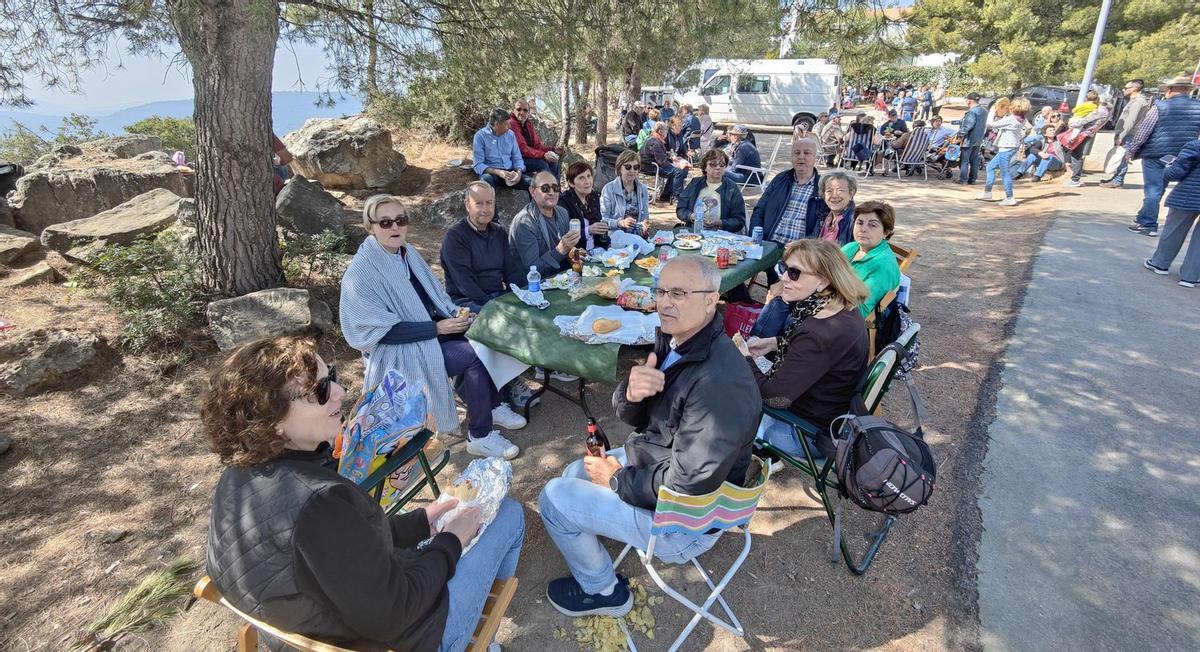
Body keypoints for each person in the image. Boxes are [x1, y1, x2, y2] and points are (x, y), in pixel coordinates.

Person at [201, 336, 524, 652]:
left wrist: (422, 522)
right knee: (509, 514)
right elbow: (392, 615)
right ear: (271, 421)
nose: (340, 393)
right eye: (320, 391)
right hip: (398, 636)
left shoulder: (239, 473)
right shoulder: (318, 499)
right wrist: (451, 540)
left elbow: (343, 543)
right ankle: (481, 637)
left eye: (333, 378)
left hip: (301, 624)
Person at [538, 256, 761, 617]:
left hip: (682, 524)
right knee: (572, 476)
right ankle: (598, 543)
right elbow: (640, 422)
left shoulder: (720, 384)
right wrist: (631, 392)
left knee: (553, 499)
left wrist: (615, 480)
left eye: (679, 292)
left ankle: (603, 592)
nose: (664, 302)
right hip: (657, 464)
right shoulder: (677, 341)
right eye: (660, 291)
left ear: (711, 299)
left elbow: (686, 485)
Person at [341, 195, 526, 460]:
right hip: (399, 351)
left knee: (485, 335)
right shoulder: (362, 272)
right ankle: (480, 435)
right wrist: (437, 329)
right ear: (370, 226)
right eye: (385, 222)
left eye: (400, 220)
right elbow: (372, 334)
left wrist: (455, 316)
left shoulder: (406, 253)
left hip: (430, 331)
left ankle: (493, 405)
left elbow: (432, 297)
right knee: (473, 357)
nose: (395, 227)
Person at [738, 239, 869, 459]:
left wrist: (744, 359)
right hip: (829, 413)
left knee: (726, 398)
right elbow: (821, 357)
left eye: (795, 273)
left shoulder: (820, 331)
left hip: (806, 433)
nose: (784, 278)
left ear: (824, 280)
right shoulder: (840, 307)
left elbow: (775, 398)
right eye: (784, 268)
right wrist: (774, 343)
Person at [439, 182, 538, 410]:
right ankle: (510, 383)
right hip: (464, 301)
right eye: (479, 203)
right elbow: (464, 284)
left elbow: (511, 270)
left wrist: (526, 294)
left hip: (496, 296)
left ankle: (520, 373)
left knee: (530, 313)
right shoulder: (455, 237)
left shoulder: (498, 232)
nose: (485, 209)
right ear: (467, 205)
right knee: (500, 322)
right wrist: (496, 307)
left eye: (489, 203)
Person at [1125, 76, 1200, 237]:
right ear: (1188, 90)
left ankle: (1148, 224)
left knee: (1153, 189)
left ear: (1171, 90)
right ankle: (1142, 217)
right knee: (1160, 187)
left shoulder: (1160, 106)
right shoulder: (1198, 108)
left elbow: (1143, 132)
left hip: (1156, 153)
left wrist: (1132, 150)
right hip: (1181, 155)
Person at [750, 137, 826, 262]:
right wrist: (755, 238)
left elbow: (822, 225)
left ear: (815, 157)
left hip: (800, 250)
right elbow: (760, 209)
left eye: (806, 153)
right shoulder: (781, 179)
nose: (801, 157)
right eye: (797, 153)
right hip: (770, 244)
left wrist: (806, 247)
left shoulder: (822, 186)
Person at [1144, 136, 1200, 287]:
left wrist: (1169, 167)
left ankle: (1160, 263)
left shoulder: (1195, 146)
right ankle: (1191, 276)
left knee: (1174, 231)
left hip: (1188, 196)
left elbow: (1175, 173)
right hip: (1189, 196)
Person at [508, 170, 578, 281]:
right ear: (532, 192)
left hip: (560, 278)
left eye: (555, 188)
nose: (551, 192)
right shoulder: (524, 223)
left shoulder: (562, 213)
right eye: (545, 188)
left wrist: (573, 253)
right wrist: (560, 250)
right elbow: (533, 268)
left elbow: (565, 249)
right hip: (531, 286)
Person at [841, 200, 901, 317]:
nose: (863, 229)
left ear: (886, 232)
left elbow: (860, 310)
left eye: (872, 225)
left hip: (848, 320)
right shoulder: (851, 247)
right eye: (860, 223)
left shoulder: (884, 264)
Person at [676, 148, 747, 233]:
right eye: (713, 164)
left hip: (721, 235)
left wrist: (720, 223)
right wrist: (692, 216)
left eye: (722, 164)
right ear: (705, 167)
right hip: (694, 232)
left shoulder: (732, 188)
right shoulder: (695, 183)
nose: (718, 167)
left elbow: (739, 220)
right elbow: (681, 209)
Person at [979, 97, 1030, 206]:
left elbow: (990, 124)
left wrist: (993, 111)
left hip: (1006, 148)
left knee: (1005, 173)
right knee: (990, 167)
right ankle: (987, 192)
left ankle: (1009, 197)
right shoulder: (1022, 118)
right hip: (1011, 147)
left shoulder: (1011, 119)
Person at [1101, 80, 1152, 188]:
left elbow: (1130, 121)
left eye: (1126, 88)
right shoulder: (1134, 101)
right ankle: (1116, 178)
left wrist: (1121, 136)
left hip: (1129, 134)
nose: (1123, 90)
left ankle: (1118, 181)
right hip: (1127, 133)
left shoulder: (1138, 102)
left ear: (1134, 89)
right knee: (1119, 156)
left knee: (1122, 157)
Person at [472, 108, 528, 190]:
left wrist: (518, 174)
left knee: (532, 184)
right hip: (491, 173)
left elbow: (517, 157)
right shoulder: (480, 136)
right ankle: (491, 202)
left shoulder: (510, 134)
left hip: (509, 172)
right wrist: (499, 172)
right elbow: (478, 164)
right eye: (506, 124)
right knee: (486, 180)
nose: (509, 127)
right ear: (496, 124)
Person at [558, 161, 610, 251]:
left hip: (597, 250)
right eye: (581, 178)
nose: (587, 182)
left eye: (589, 176)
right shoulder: (564, 202)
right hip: (577, 255)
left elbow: (599, 226)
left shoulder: (593, 197)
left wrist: (607, 245)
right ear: (571, 183)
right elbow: (566, 236)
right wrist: (588, 230)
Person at [1062, 99, 1111, 188]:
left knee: (1076, 155)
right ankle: (1075, 178)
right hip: (1088, 134)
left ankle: (1075, 179)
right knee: (1077, 154)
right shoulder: (1107, 112)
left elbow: (1085, 120)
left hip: (1083, 134)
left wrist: (1073, 123)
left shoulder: (1100, 111)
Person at [510, 98, 563, 180]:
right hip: (514, 161)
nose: (522, 112)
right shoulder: (511, 123)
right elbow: (522, 149)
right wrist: (543, 155)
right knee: (541, 163)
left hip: (526, 158)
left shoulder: (528, 124)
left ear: (528, 112)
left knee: (553, 161)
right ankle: (546, 189)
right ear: (513, 110)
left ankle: (555, 189)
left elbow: (537, 145)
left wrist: (553, 149)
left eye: (525, 110)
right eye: (518, 109)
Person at [600, 149, 651, 234]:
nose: (632, 171)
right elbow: (602, 220)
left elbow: (645, 216)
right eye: (628, 167)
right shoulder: (608, 189)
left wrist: (645, 225)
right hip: (615, 237)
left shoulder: (643, 189)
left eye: (636, 167)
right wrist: (620, 223)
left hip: (637, 236)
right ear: (619, 168)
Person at [640, 121, 688, 203]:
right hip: (650, 167)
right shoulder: (655, 141)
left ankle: (666, 194)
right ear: (661, 132)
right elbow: (661, 161)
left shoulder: (655, 138)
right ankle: (676, 195)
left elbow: (661, 155)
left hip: (652, 164)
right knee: (679, 171)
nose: (667, 133)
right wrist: (675, 164)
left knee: (680, 169)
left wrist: (671, 157)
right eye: (666, 131)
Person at [814, 169, 857, 245]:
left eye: (840, 190)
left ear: (851, 193)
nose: (834, 195)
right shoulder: (823, 215)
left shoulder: (855, 220)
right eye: (829, 191)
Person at [958, 93, 989, 185]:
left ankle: (963, 179)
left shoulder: (972, 111)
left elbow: (968, 125)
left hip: (969, 139)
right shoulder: (984, 110)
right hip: (978, 138)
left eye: (966, 100)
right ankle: (972, 179)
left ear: (969, 100)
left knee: (965, 160)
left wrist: (960, 134)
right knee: (974, 160)